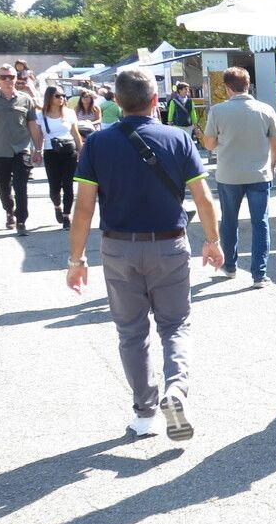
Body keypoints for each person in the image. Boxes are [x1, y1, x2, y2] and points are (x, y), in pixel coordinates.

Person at [66, 67, 224, 442]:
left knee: (131, 332)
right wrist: (213, 241)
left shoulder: (97, 144)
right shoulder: (177, 139)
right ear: (156, 101)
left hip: (118, 247)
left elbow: (83, 208)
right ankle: (176, 391)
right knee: (175, 325)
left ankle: (144, 413)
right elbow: (203, 198)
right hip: (169, 243)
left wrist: (76, 261)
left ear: (116, 102)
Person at [202, 66, 276, 288]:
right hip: (259, 173)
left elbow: (209, 144)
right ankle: (259, 274)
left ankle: (229, 266)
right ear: (248, 85)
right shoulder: (265, 109)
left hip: (228, 174)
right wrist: (273, 165)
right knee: (260, 222)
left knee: (229, 221)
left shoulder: (218, 111)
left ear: (227, 88)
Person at [0, 63, 43, 234]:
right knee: (3, 187)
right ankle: (9, 210)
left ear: (16, 78)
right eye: (3, 77)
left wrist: (38, 149)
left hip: (21, 149)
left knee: (21, 186)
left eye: (11, 77)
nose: (8, 80)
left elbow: (33, 125)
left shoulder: (26, 99)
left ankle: (21, 220)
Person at [36, 85, 83, 229]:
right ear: (49, 97)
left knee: (68, 185)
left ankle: (67, 216)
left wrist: (81, 151)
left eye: (63, 95)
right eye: (57, 95)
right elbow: (39, 136)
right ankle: (57, 206)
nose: (61, 98)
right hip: (51, 152)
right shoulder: (40, 115)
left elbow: (75, 134)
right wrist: (36, 151)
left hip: (69, 152)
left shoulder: (69, 113)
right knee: (54, 187)